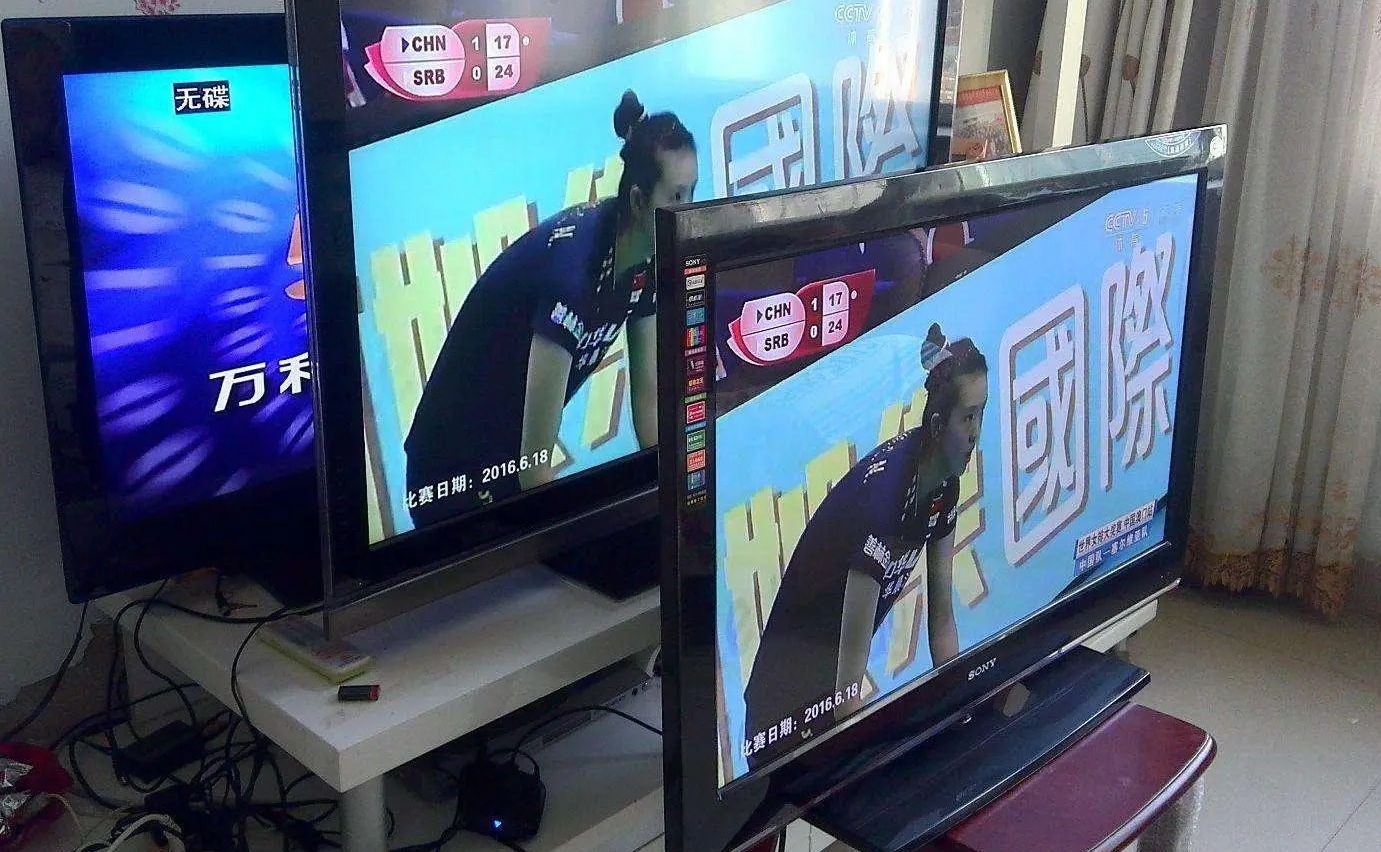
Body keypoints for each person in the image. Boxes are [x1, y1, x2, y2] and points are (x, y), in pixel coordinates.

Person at [403, 91, 697, 527]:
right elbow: (534, 468)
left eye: (693, 193)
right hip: (450, 470)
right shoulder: (573, 273)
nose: (688, 212)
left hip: (508, 460)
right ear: (639, 200)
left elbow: (650, 415)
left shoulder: (648, 258)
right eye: (676, 196)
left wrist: (684, 503)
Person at [740, 323, 989, 764]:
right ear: (937, 424)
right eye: (968, 417)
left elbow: (942, 624)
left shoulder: (943, 484)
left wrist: (966, 718)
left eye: (981, 415)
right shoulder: (883, 504)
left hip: (831, 690)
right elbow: (848, 690)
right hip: (782, 709)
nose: (976, 432)